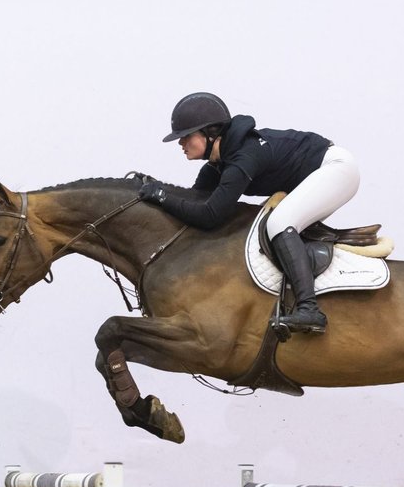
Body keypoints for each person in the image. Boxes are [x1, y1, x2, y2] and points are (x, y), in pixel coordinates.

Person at [137, 92, 360, 335]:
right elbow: (195, 202)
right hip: (318, 173)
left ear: (211, 133)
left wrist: (161, 197)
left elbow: (210, 216)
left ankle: (310, 310)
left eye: (185, 136)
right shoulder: (218, 165)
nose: (180, 144)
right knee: (278, 223)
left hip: (337, 170)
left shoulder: (244, 156)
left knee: (279, 223)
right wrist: (157, 192)